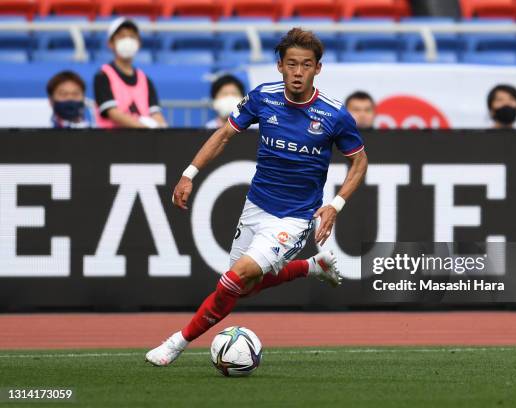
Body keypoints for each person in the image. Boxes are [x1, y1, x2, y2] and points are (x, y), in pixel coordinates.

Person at [145, 28, 368, 366]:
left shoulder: (334, 114)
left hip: (294, 218)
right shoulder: (263, 97)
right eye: (291, 64)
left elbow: (359, 161)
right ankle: (312, 267)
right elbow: (223, 136)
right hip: (256, 207)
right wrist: (189, 174)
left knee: (235, 279)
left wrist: (335, 206)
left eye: (306, 65)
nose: (297, 72)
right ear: (280, 66)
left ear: (317, 69)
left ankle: (176, 343)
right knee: (244, 287)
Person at [94, 17, 167, 128]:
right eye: (122, 36)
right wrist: (145, 128)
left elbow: (155, 113)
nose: (127, 40)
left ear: (139, 43)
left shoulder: (145, 79)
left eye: (132, 36)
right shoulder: (103, 76)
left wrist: (161, 127)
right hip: (112, 140)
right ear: (110, 43)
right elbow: (112, 113)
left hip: (143, 141)